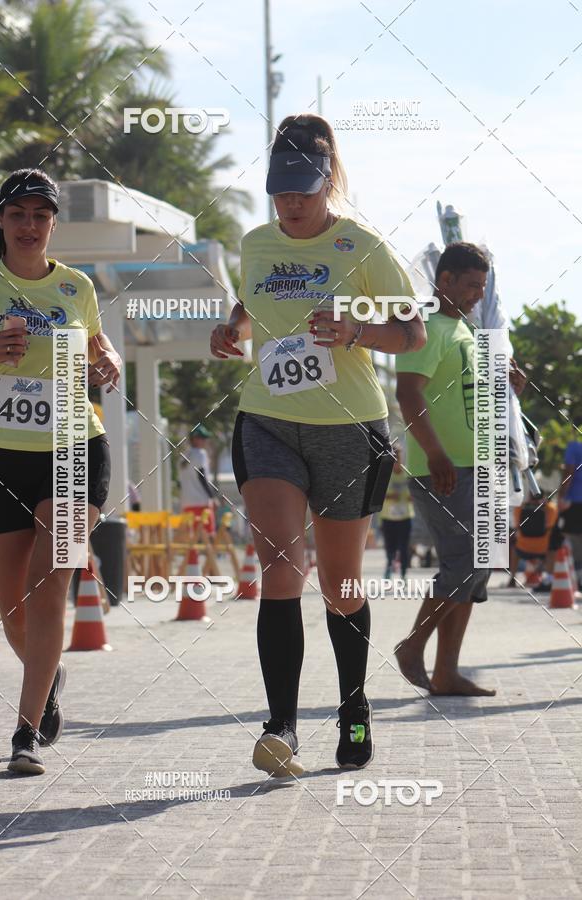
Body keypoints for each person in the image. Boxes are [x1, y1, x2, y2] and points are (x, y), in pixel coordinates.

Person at [210, 113, 426, 776]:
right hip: (268, 419)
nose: (292, 204)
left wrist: (354, 331)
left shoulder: (360, 244)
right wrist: (230, 329)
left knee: (340, 584)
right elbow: (249, 307)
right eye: (280, 191)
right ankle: (280, 728)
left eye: (303, 190)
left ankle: (354, 706)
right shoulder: (254, 243)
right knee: (280, 565)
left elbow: (411, 333)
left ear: (327, 180)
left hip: (349, 430)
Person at [0, 168, 121, 775]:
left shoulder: (77, 287)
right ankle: (49, 672)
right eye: (19, 215)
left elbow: (98, 345)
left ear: (53, 224)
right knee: (14, 607)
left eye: (41, 216)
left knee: (50, 584)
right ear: (2, 221)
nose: (30, 226)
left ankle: (25, 731)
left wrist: (108, 360)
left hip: (73, 448)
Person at [395, 241, 504, 696]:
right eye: (473, 285)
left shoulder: (465, 331)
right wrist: (436, 454)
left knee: (477, 568)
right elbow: (407, 393)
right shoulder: (429, 328)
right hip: (444, 468)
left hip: (477, 466)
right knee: (463, 564)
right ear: (445, 281)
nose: (479, 293)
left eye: (483, 286)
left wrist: (508, 382)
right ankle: (412, 646)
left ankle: (445, 673)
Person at [378, 445, 413, 579]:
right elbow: (378, 495)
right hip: (388, 517)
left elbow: (416, 493)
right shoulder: (385, 475)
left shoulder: (407, 474)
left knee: (404, 548)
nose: (396, 460)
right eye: (393, 457)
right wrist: (388, 496)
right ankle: (389, 568)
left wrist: (412, 497)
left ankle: (403, 573)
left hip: (405, 517)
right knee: (390, 547)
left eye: (398, 457)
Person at [178, 424, 217, 534]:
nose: (205, 441)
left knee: (191, 536)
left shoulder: (183, 456)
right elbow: (202, 476)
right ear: (195, 439)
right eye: (202, 438)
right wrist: (212, 497)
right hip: (202, 501)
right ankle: (211, 552)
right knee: (208, 535)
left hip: (186, 502)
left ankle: (193, 553)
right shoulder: (201, 454)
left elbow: (179, 482)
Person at [558, 423, 582, 589]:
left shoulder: (574, 446)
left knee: (570, 536)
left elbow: (569, 471)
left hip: (576, 499)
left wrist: (561, 496)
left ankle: (576, 575)